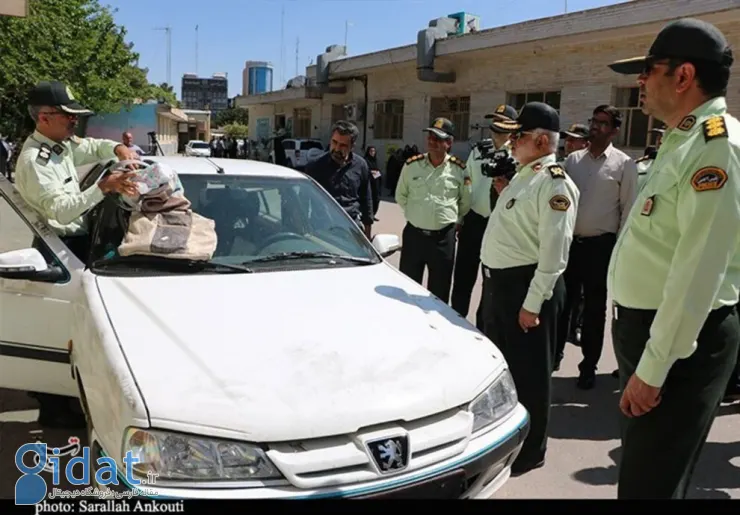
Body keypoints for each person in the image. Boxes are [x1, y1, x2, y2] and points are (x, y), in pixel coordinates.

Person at [607, 17, 740, 499]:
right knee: (648, 474)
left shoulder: (714, 147)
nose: (640, 82)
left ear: (682, 76)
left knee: (649, 484)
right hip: (657, 331)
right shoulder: (682, 140)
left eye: (648, 70)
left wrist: (653, 368)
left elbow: (699, 270)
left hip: (682, 341)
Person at [14, 80, 140, 428]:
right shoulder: (34, 161)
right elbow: (63, 211)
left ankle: (66, 399)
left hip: (78, 244)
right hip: (57, 248)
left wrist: (118, 149)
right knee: (61, 328)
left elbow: (92, 148)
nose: (74, 122)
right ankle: (52, 409)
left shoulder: (61, 145)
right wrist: (103, 188)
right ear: (44, 118)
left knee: (78, 326)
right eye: (67, 116)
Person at [479, 102, 579, 475]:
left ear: (539, 140)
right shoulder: (525, 175)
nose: (510, 142)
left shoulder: (554, 183)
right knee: (506, 370)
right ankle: (506, 437)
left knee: (532, 376)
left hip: (527, 290)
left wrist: (532, 304)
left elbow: (554, 256)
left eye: (517, 136)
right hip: (503, 287)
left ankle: (530, 452)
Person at [558, 105, 638, 388]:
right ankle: (555, 356)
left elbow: (628, 211)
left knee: (594, 310)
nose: (595, 127)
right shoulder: (572, 161)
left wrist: (618, 250)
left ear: (615, 130)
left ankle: (588, 365)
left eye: (603, 123)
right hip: (570, 245)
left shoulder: (624, 165)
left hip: (600, 248)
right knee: (562, 303)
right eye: (594, 121)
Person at [451, 104, 516, 328]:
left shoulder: (517, 154)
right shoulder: (479, 150)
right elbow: (466, 181)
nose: (495, 128)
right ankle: (456, 322)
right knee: (462, 278)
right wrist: (460, 218)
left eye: (501, 122)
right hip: (474, 220)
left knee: (491, 283)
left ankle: (483, 328)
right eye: (493, 122)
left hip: (499, 226)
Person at [396, 118, 471, 304]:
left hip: (443, 239)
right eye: (430, 136)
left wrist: (449, 218)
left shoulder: (459, 169)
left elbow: (465, 202)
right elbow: (401, 196)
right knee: (408, 288)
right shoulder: (412, 165)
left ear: (449, 143)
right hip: (414, 236)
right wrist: (417, 213)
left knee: (439, 292)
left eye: (438, 138)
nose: (432, 141)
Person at [303, 120, 373, 238]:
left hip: (351, 229)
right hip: (322, 230)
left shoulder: (361, 165)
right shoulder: (315, 166)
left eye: (342, 145)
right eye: (334, 142)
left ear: (352, 146)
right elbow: (303, 202)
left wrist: (367, 236)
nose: (336, 148)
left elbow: (366, 200)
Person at [364, 146, 382, 220]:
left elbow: (377, 170)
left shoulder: (375, 160)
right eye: (371, 151)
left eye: (374, 151)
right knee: (369, 200)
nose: (372, 153)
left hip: (376, 183)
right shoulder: (365, 160)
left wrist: (378, 173)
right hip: (369, 183)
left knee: (376, 200)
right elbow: (365, 170)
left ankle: (373, 214)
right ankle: (368, 215)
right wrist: (371, 172)